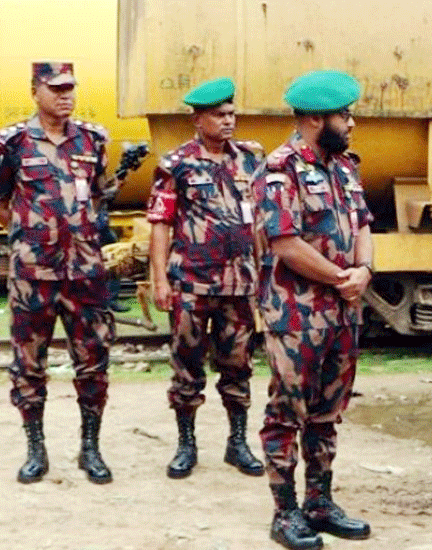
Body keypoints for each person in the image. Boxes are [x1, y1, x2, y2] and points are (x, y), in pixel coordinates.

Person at [252, 70, 372, 550]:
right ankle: (285, 514)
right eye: (345, 115)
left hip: (342, 312)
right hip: (296, 314)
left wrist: (363, 268)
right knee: (287, 412)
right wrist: (342, 278)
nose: (352, 123)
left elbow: (363, 221)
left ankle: (319, 502)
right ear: (318, 119)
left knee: (327, 412)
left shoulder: (344, 167)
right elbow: (285, 243)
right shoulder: (278, 169)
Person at [0, 62, 116, 485]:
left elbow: (96, 196)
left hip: (86, 273)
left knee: (93, 363)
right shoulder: (12, 142)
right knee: (29, 365)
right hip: (33, 273)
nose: (66, 95)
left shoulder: (93, 140)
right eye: (56, 88)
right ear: (34, 91)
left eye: (70, 88)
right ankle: (35, 448)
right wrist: (29, 235)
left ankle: (90, 447)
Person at [146, 77, 265, 479]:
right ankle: (186, 444)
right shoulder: (175, 163)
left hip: (239, 285)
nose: (228, 121)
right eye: (219, 115)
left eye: (232, 114)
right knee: (187, 367)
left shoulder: (251, 159)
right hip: (191, 284)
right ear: (199, 120)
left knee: (239, 365)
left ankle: (237, 443)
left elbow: (264, 222)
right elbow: (160, 223)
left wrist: (264, 276)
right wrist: (160, 280)